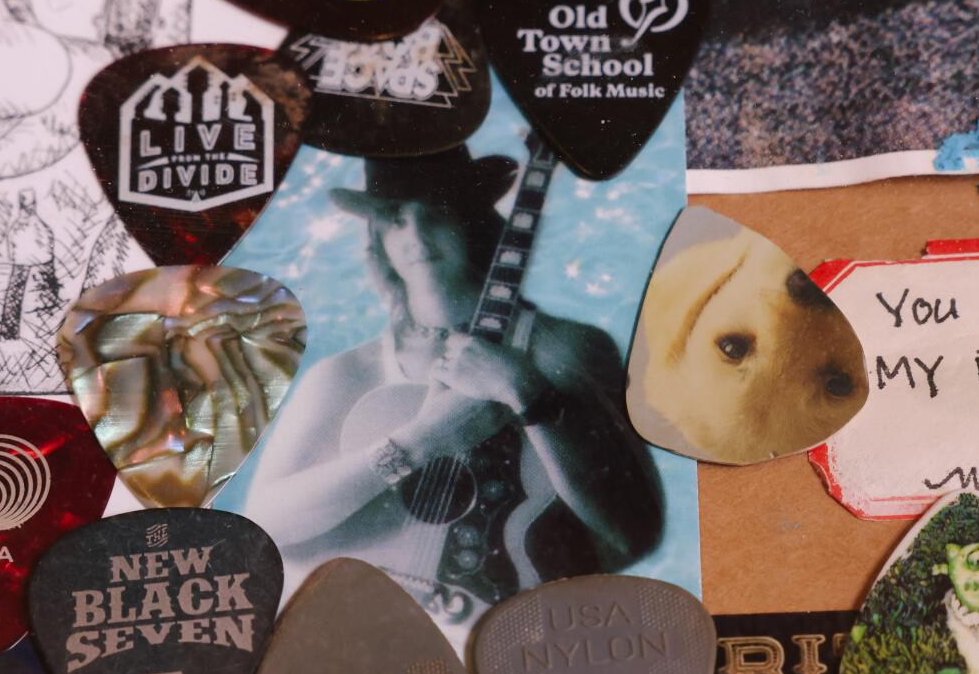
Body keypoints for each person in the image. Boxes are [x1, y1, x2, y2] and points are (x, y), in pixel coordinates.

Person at [241, 146, 663, 637]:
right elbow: (262, 528)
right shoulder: (344, 375)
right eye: (397, 218)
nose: (416, 236)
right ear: (377, 235)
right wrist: (421, 439)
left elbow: (631, 535)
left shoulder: (565, 350)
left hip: (510, 643)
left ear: (471, 218)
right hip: (369, 640)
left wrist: (528, 394)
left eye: (436, 213)